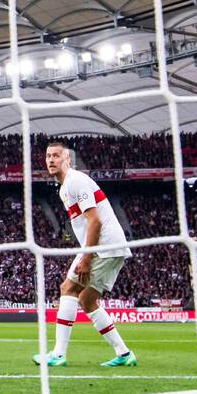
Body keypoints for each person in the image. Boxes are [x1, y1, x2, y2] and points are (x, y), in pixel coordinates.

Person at [34, 141, 136, 368]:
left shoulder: (75, 181)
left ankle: (58, 354)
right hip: (108, 246)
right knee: (87, 300)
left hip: (103, 246)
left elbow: (95, 221)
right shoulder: (64, 188)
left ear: (67, 159)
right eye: (48, 156)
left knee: (68, 289)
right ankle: (124, 353)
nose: (51, 160)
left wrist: (87, 257)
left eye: (56, 156)